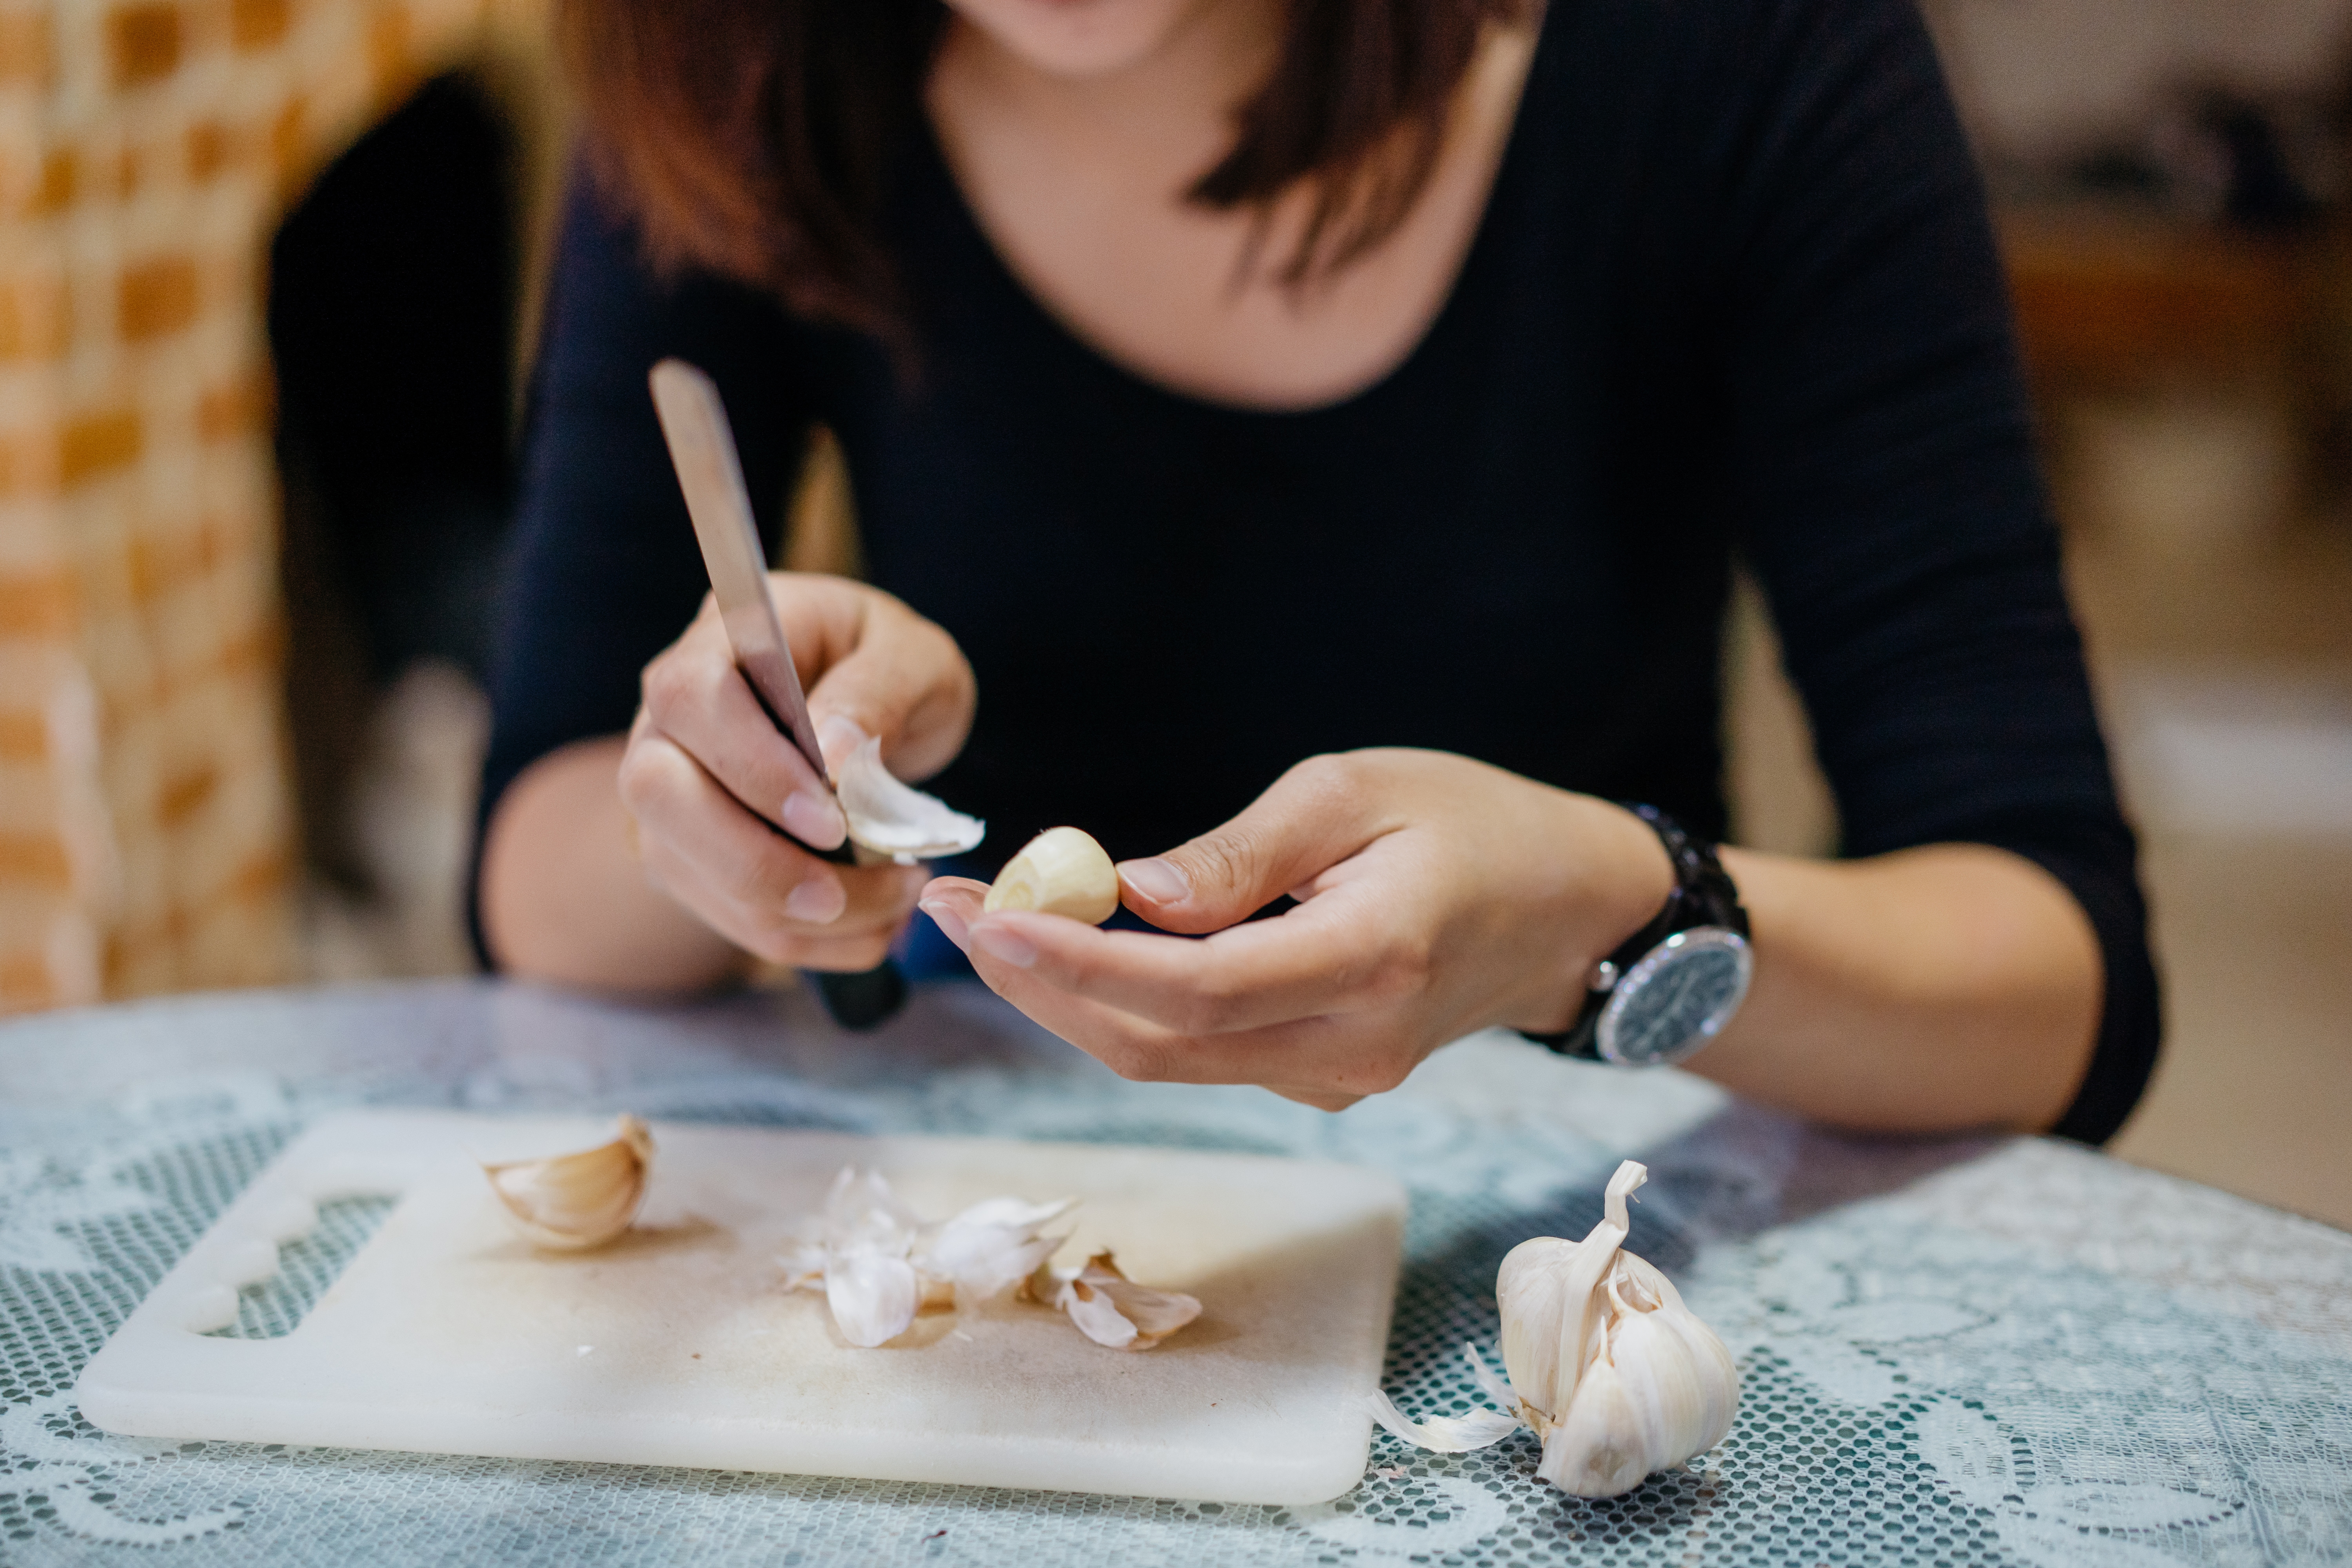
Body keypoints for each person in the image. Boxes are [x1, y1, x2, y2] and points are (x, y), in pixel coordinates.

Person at [473, 0, 2159, 1140]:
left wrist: (1596, 915)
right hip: (984, 1256)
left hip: (1570, 1250)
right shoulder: (740, 56)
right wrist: (748, 803)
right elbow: (534, 869)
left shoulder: (1739, 51)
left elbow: (2055, 985)